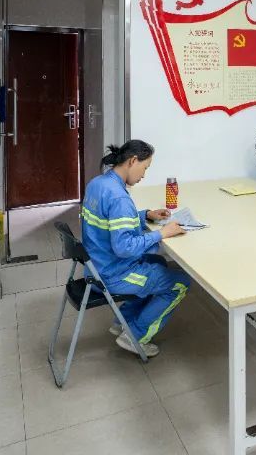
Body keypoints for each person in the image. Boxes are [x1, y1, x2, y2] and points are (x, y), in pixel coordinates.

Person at [80, 139, 189, 357]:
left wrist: (145, 215)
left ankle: (124, 321)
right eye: (145, 168)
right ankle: (135, 337)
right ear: (132, 161)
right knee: (181, 283)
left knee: (158, 262)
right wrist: (162, 233)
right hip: (113, 275)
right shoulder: (119, 197)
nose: (144, 175)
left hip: (94, 267)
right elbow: (124, 248)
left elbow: (109, 222)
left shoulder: (98, 184)